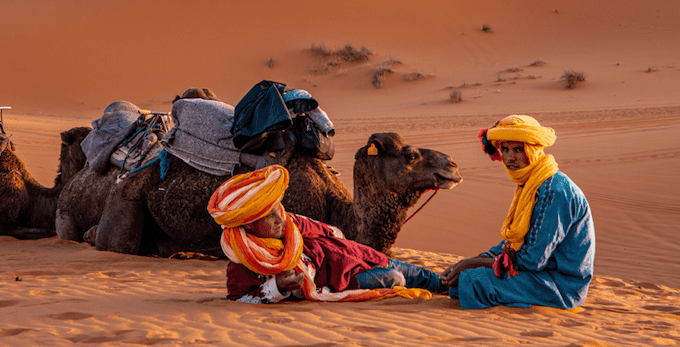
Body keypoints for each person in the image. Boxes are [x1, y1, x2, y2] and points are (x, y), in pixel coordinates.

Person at [207, 164, 445, 303]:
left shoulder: (293, 223)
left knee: (431, 278)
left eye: (277, 209)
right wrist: (278, 287)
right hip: (345, 279)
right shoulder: (245, 261)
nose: (280, 218)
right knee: (396, 279)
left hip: (359, 255)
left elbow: (334, 233)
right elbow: (240, 299)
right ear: (248, 224)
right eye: (269, 216)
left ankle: (458, 284)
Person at [441, 115, 595, 309]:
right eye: (504, 149)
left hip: (561, 286)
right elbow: (514, 244)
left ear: (533, 150)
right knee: (460, 279)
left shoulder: (554, 191)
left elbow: (532, 260)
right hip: (540, 276)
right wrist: (469, 262)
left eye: (518, 150)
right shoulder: (531, 184)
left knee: (473, 280)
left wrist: (474, 264)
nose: (509, 157)